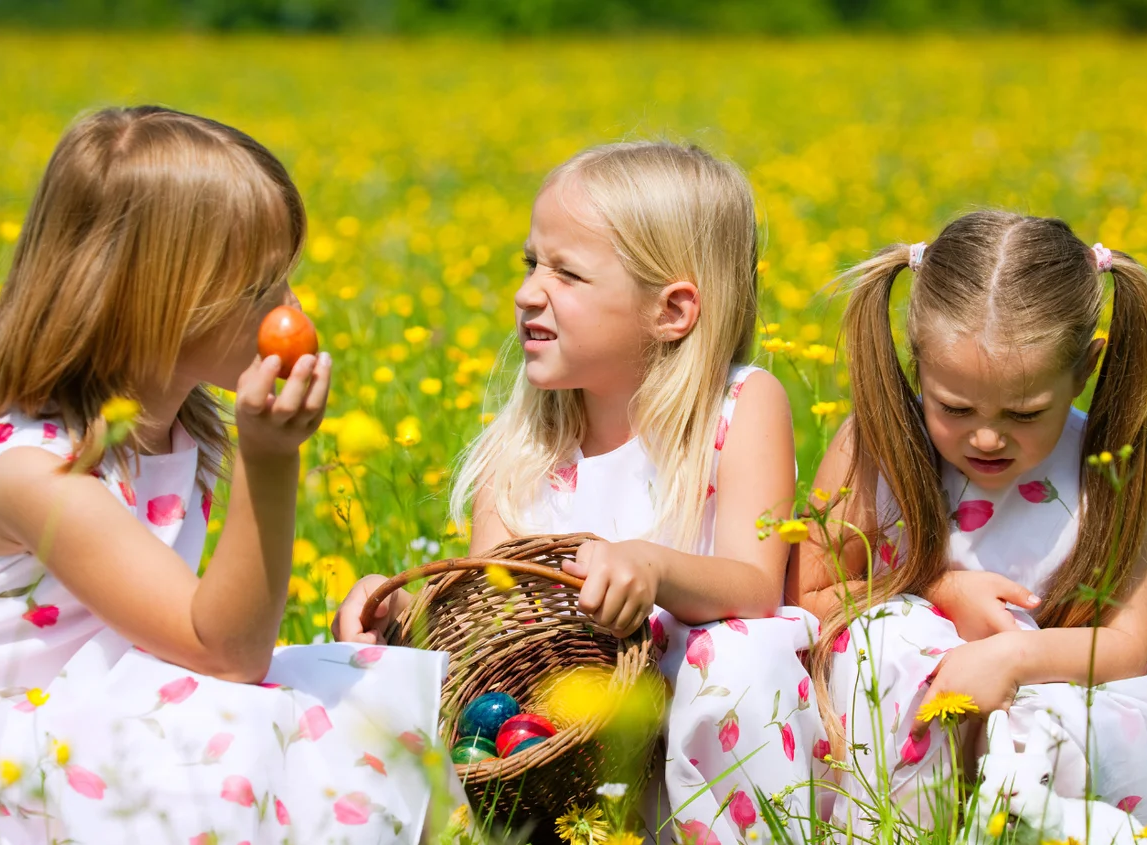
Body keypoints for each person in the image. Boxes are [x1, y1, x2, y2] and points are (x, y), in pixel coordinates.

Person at [0, 106, 455, 844]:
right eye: (260, 288)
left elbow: (208, 638)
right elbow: (226, 652)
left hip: (90, 700)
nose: (292, 311)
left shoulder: (173, 429)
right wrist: (269, 459)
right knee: (233, 723)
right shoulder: (41, 476)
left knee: (355, 690)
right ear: (152, 299)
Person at [337, 142, 827, 843]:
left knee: (741, 656)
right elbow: (491, 629)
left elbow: (755, 586)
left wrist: (651, 566)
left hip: (694, 746)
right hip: (561, 755)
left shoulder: (740, 406)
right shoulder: (527, 446)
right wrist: (399, 614)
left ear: (673, 310)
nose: (529, 291)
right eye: (530, 263)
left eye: (566, 273)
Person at [794, 211, 1147, 835]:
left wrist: (1013, 657)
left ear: (1085, 370)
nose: (986, 436)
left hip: (1040, 690)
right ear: (917, 364)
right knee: (892, 635)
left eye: (1024, 413)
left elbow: (1125, 646)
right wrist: (936, 590)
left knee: (1083, 723)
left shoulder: (1104, 466)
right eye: (955, 407)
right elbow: (804, 595)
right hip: (889, 722)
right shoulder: (876, 446)